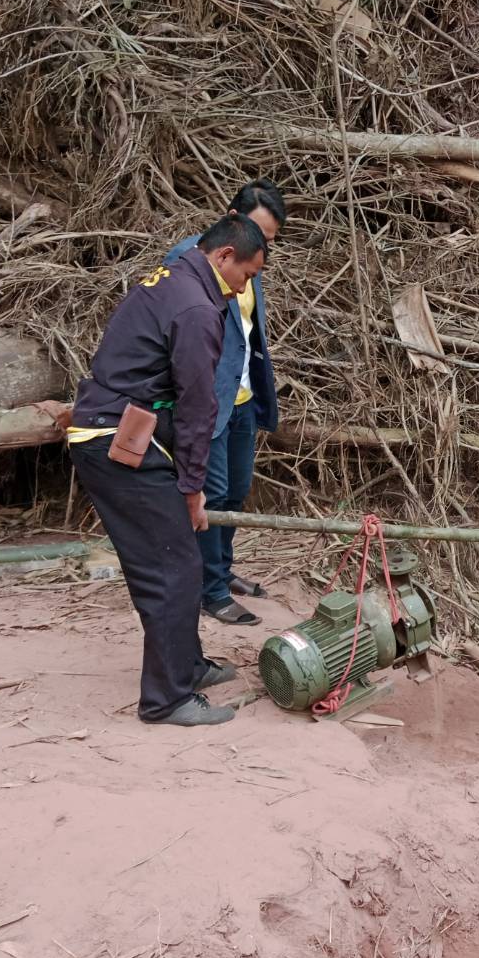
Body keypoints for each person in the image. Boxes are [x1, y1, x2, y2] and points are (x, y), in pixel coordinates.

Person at [67, 213, 267, 727]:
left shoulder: (173, 278)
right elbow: (199, 408)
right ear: (224, 257)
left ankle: (186, 666)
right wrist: (193, 488)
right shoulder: (198, 309)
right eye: (246, 275)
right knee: (174, 568)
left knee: (171, 563)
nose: (245, 287)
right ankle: (166, 699)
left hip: (112, 429)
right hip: (118, 442)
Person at [163, 181, 284, 628]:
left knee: (234, 491)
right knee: (208, 495)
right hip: (208, 398)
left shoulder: (249, 266)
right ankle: (209, 590)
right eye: (257, 232)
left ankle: (222, 568)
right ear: (231, 217)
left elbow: (249, 334)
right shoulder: (187, 260)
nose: (262, 248)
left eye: (269, 241)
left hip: (243, 396)